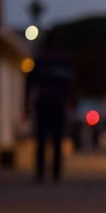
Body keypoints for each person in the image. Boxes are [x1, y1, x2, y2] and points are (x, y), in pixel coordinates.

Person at [28, 48, 76, 182]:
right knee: (49, 140)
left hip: (51, 106)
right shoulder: (61, 63)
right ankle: (50, 172)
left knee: (49, 140)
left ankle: (47, 172)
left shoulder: (44, 62)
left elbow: (30, 83)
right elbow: (71, 86)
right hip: (51, 106)